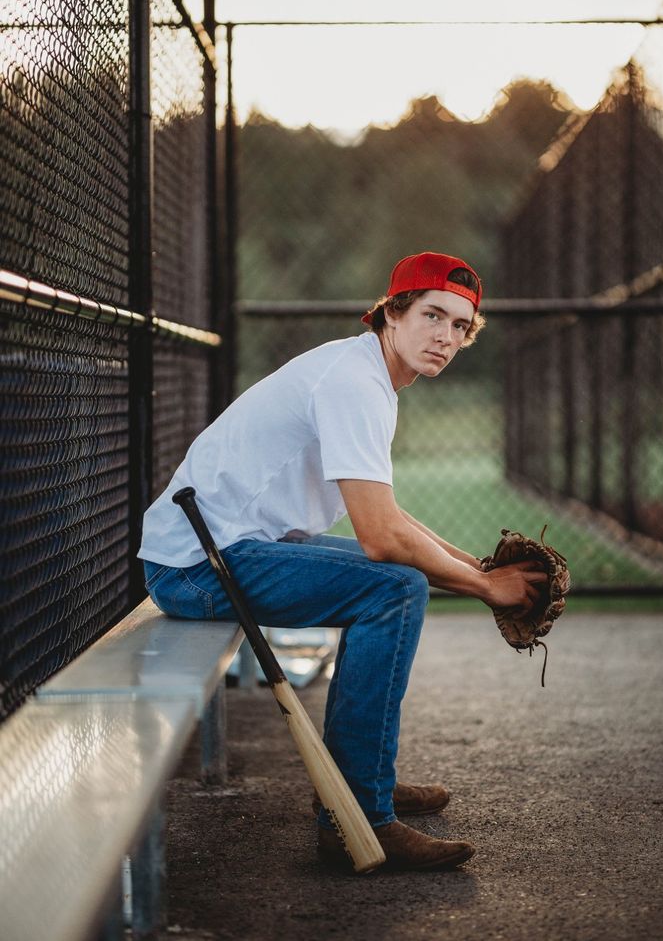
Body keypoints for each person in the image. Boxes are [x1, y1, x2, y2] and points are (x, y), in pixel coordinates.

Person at [139, 251, 546, 871]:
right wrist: (484, 588)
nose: (446, 336)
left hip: (240, 547)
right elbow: (383, 539)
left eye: (461, 327)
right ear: (393, 312)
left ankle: (366, 778)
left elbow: (390, 514)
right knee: (396, 588)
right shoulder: (354, 382)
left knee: (396, 582)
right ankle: (358, 810)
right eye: (433, 315)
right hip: (198, 566)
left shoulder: (368, 376)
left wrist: (477, 567)